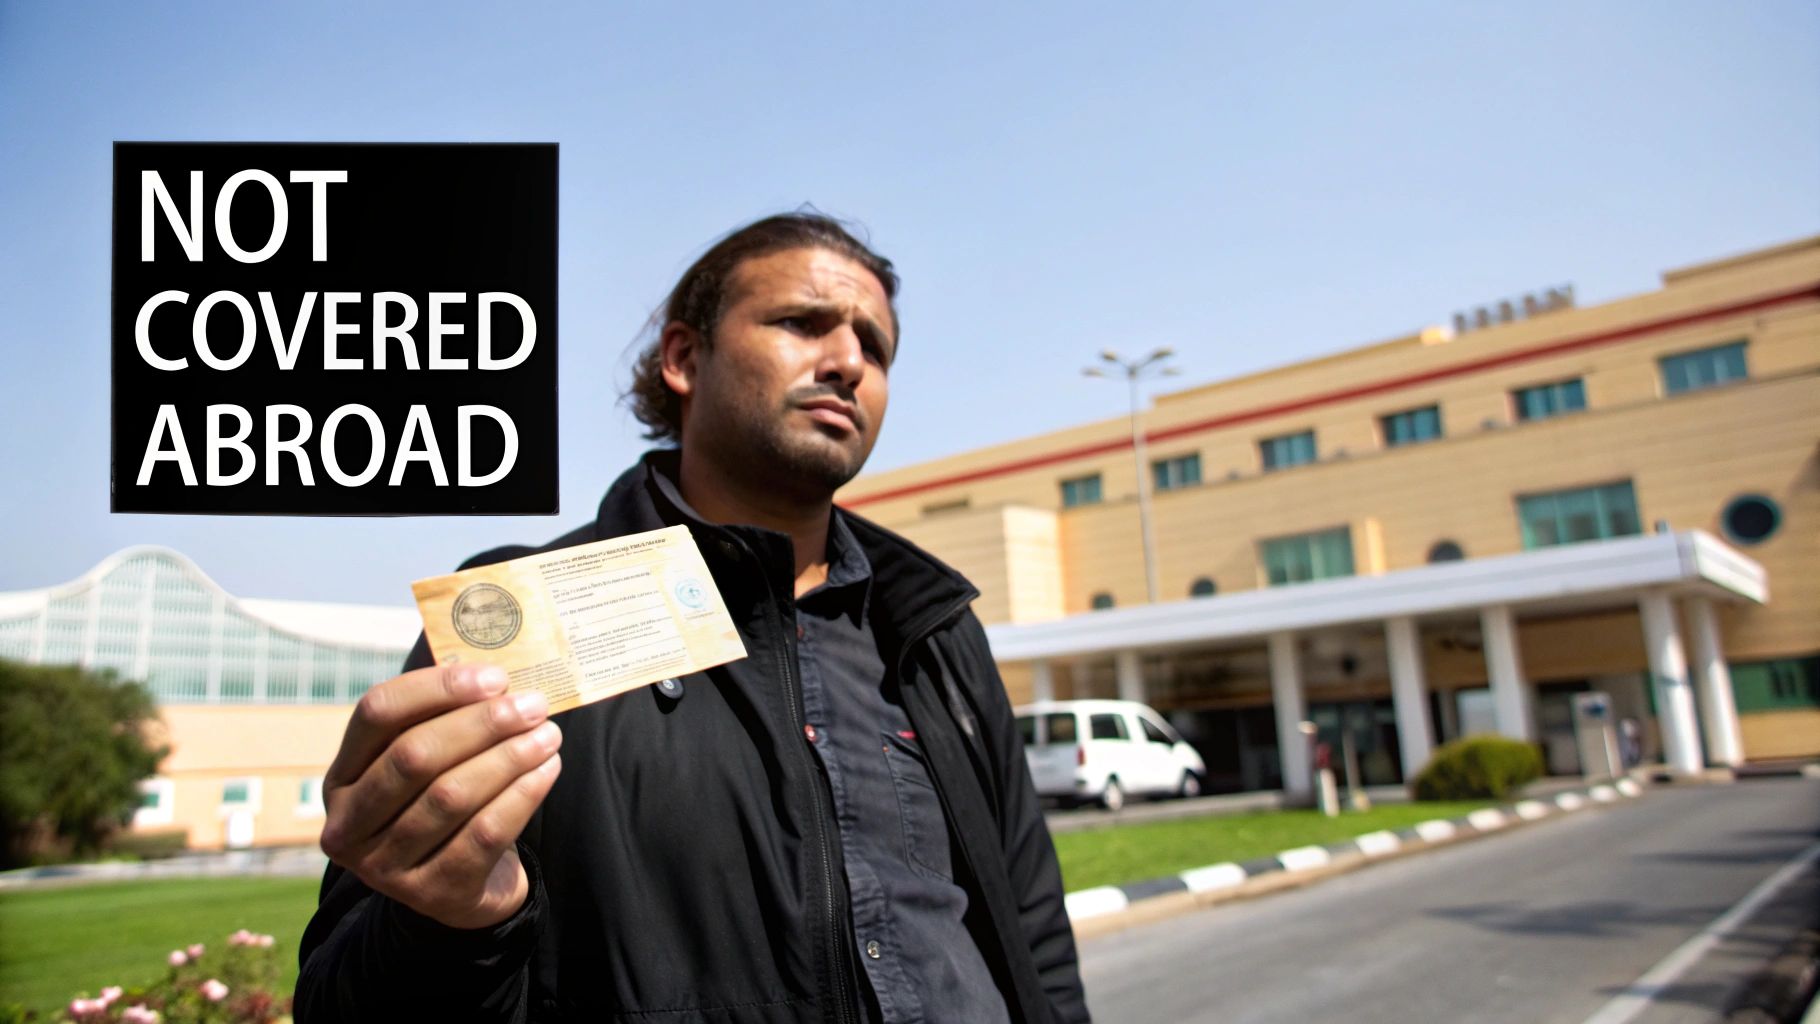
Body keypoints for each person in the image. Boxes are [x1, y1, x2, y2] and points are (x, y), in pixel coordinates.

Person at [295, 213, 1090, 1023]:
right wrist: (454, 925)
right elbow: (344, 1002)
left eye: (875, 347)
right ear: (683, 358)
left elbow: (1032, 929)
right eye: (801, 322)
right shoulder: (517, 622)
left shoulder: (933, 627)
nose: (849, 362)